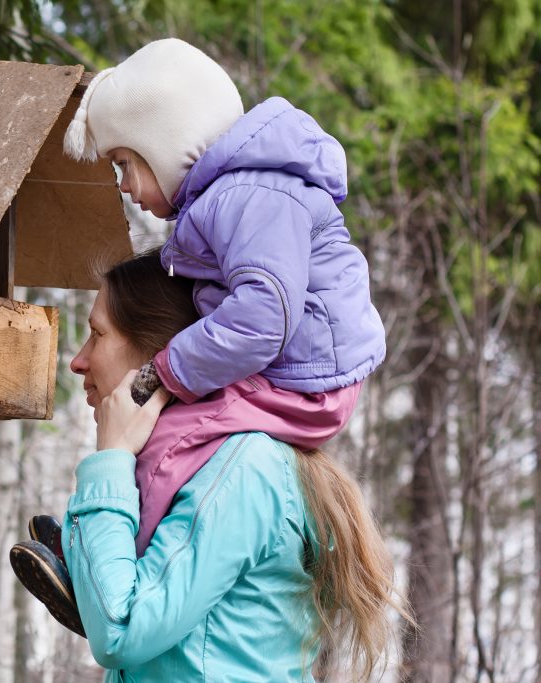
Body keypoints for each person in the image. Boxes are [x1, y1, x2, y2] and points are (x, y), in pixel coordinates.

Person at [10, 253, 408, 681]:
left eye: (97, 334)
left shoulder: (243, 469)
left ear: (159, 352)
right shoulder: (200, 465)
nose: (78, 361)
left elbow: (121, 631)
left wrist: (112, 458)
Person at [61, 37, 385, 553]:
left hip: (306, 377)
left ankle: (113, 561)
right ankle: (96, 544)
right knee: (168, 427)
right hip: (289, 367)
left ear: (165, 143)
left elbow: (264, 316)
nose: (122, 186)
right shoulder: (228, 199)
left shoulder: (247, 197)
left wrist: (164, 370)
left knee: (171, 440)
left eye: (124, 163)